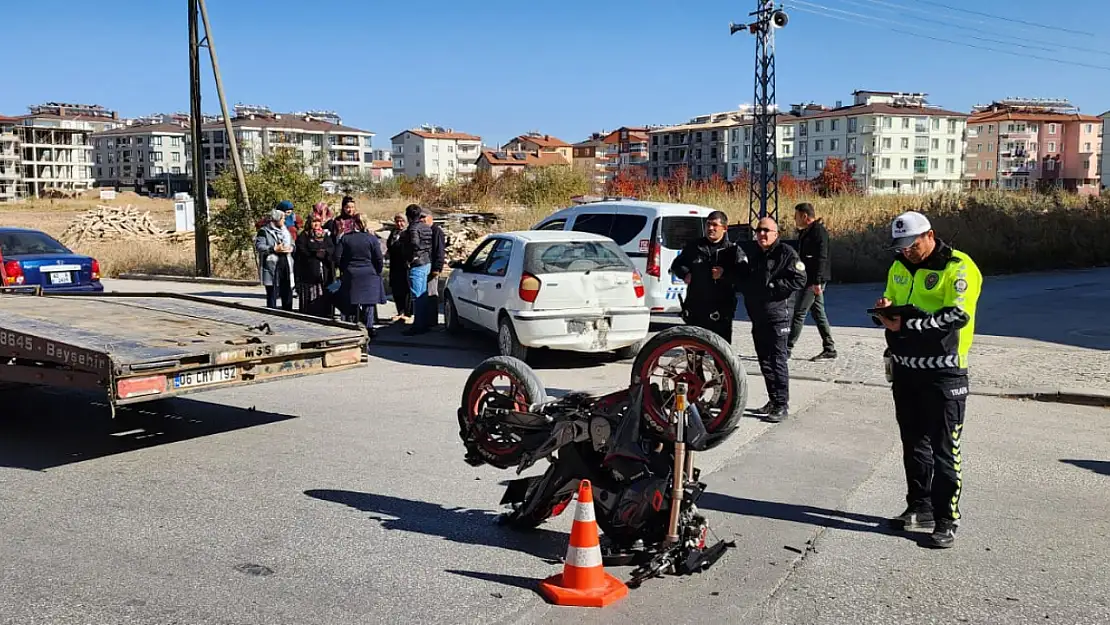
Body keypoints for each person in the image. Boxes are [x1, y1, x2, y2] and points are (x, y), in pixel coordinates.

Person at [873, 210, 982, 549]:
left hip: (944, 371)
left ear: (929, 236)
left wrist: (906, 325)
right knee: (913, 443)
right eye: (901, 247)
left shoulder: (958, 266)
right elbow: (893, 304)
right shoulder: (898, 265)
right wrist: (885, 310)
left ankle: (946, 518)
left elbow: (957, 315)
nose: (906, 251)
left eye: (912, 245)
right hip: (906, 368)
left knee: (945, 448)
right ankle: (918, 506)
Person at [736, 216, 807, 423]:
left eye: (767, 231)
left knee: (777, 360)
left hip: (778, 316)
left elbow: (800, 278)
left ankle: (782, 404)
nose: (762, 234)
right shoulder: (755, 254)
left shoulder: (786, 253)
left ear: (776, 233)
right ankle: (772, 399)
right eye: (759, 231)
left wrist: (774, 287)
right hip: (758, 317)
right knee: (764, 361)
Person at [669, 210, 746, 343]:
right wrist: (685, 273)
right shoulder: (694, 246)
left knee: (721, 355)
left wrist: (724, 274)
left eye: (715, 225)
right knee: (693, 351)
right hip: (695, 308)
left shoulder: (733, 250)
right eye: (708, 224)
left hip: (721, 311)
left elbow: (743, 275)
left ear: (725, 228)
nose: (710, 228)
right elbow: (676, 265)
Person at [788, 202, 837, 360]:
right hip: (807, 278)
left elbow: (822, 258)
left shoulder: (818, 232)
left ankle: (787, 348)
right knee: (818, 313)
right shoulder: (805, 232)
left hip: (813, 280)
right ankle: (829, 348)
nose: (794, 219)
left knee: (799, 312)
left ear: (804, 216)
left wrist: (817, 282)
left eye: (796, 216)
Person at [334, 213, 387, 346]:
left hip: (352, 273)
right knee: (369, 304)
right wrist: (377, 270)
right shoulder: (371, 239)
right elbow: (378, 258)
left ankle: (350, 327)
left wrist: (344, 269)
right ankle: (369, 328)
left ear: (353, 223)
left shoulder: (346, 239)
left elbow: (337, 257)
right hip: (369, 273)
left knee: (351, 302)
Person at [293, 216, 336, 318]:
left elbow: (331, 248)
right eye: (314, 222)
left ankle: (325, 313)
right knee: (310, 294)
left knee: (324, 291)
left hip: (324, 270)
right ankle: (309, 314)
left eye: (318, 222)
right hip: (309, 271)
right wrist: (315, 252)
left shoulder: (325, 235)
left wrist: (324, 253)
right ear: (309, 223)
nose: (316, 224)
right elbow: (302, 250)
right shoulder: (304, 235)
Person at [255, 207, 296, 310]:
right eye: (282, 219)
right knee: (272, 291)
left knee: (287, 289)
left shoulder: (285, 231)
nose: (284, 221)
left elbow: (293, 244)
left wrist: (291, 248)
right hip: (272, 264)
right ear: (276, 220)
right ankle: (272, 312)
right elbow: (260, 246)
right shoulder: (264, 231)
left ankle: (288, 311)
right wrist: (274, 249)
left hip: (286, 261)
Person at [403, 204, 435, 336]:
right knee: (423, 294)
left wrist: (410, 258)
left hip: (417, 263)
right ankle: (424, 323)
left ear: (408, 216)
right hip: (426, 261)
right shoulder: (426, 228)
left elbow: (414, 244)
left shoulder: (413, 228)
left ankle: (418, 325)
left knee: (417, 296)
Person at [386, 212, 412, 321]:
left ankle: (407, 312)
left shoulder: (409, 233)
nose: (399, 223)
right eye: (397, 221)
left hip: (405, 265)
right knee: (396, 289)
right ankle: (399, 311)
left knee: (406, 290)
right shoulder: (394, 233)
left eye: (402, 221)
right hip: (394, 265)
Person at [424, 211, 447, 329]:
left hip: (433, 267)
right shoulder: (425, 231)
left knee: (432, 293)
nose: (422, 220)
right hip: (425, 266)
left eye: (424, 218)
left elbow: (440, 251)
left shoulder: (436, 231)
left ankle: (433, 321)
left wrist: (437, 267)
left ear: (430, 218)